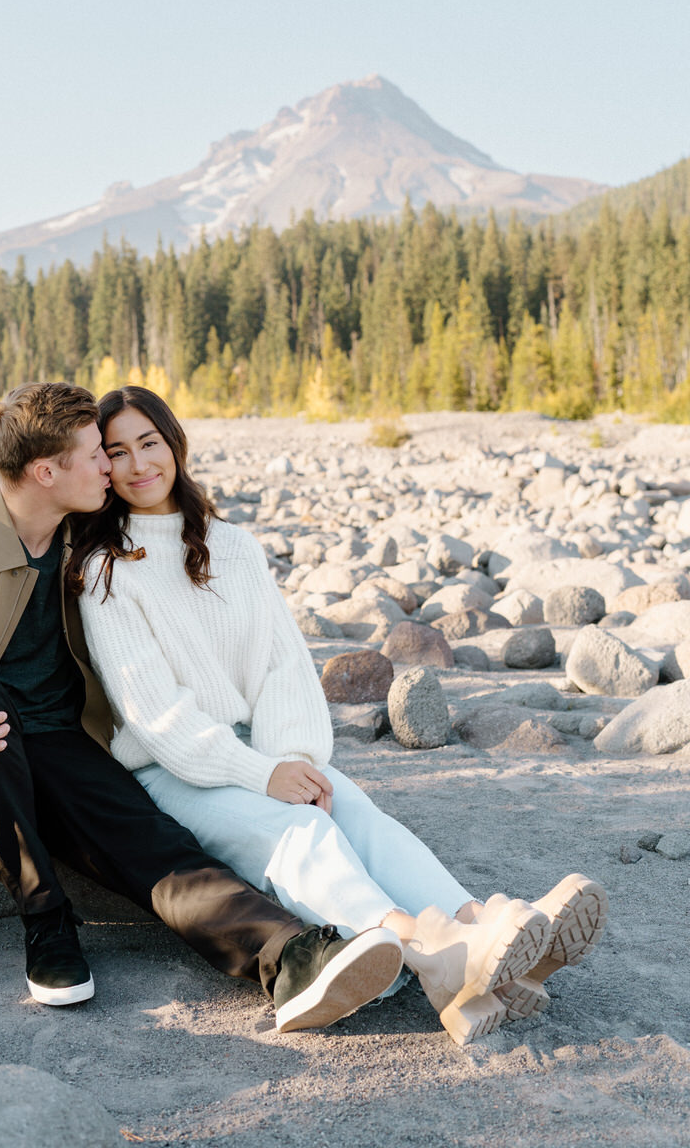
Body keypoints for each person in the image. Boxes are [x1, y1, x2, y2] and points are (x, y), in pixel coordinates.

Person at [0, 380, 409, 1033]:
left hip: (58, 754)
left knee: (153, 842)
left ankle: (291, 957)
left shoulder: (82, 538)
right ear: (46, 471)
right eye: (96, 454)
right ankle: (47, 922)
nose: (110, 468)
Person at [71, 385, 609, 1047]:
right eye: (116, 452)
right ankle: (433, 954)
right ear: (102, 467)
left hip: (262, 749)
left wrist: (290, 757)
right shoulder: (105, 574)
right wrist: (263, 776)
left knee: (356, 815)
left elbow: (282, 666)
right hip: (176, 767)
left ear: (174, 442)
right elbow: (159, 717)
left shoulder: (233, 547)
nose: (136, 464)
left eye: (148, 442)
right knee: (303, 833)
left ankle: (479, 932)